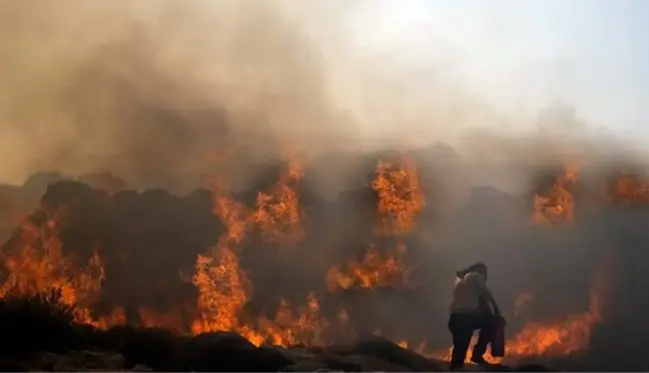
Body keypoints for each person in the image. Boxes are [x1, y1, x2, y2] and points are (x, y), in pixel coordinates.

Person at [447, 262, 502, 370]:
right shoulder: (476, 275)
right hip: (467, 317)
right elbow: (484, 291)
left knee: (459, 349)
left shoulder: (460, 280)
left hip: (454, 318)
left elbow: (471, 298)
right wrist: (495, 307)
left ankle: (455, 368)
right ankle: (477, 354)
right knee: (492, 323)